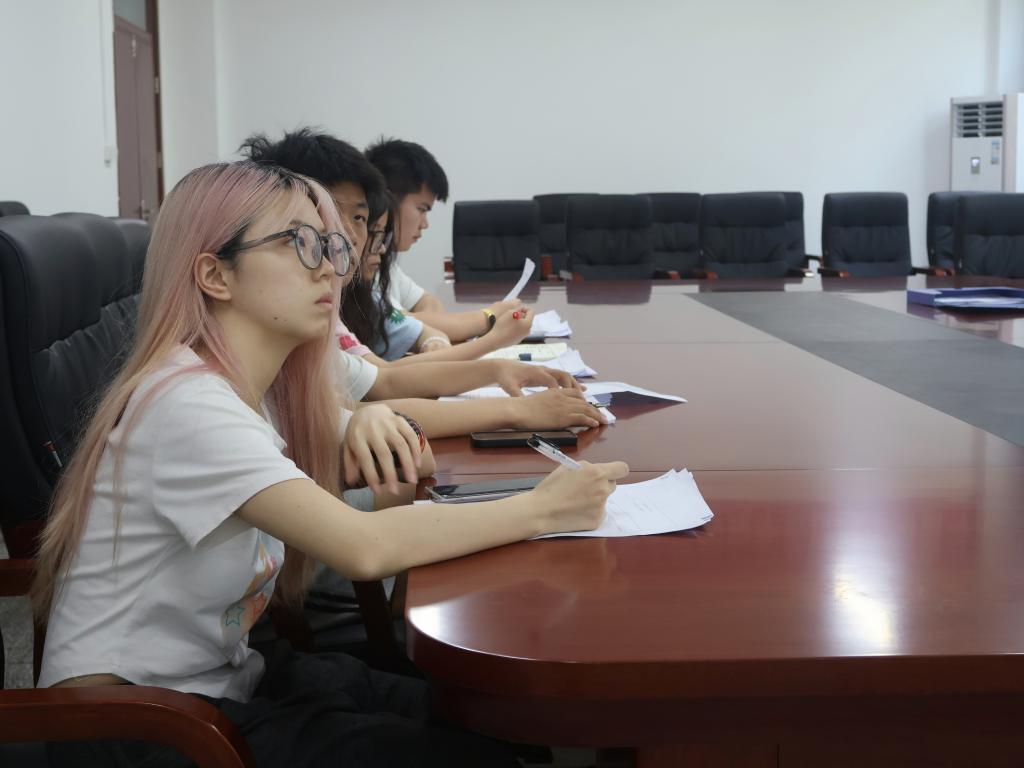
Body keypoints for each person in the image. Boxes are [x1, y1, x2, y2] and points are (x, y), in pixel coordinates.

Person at [32, 160, 628, 767]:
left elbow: (407, 447)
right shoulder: (189, 404)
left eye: (332, 247)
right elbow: (364, 547)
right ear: (216, 275)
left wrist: (377, 422)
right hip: (134, 728)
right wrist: (543, 509)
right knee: (474, 754)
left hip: (225, 679)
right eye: (299, 244)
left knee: (486, 711)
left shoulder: (263, 387)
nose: (329, 269)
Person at [366, 137, 526, 342]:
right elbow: (397, 323)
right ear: (387, 201)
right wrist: (489, 316)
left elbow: (428, 303)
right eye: (421, 209)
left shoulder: (385, 263)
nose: (425, 224)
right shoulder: (362, 268)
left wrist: (422, 323)